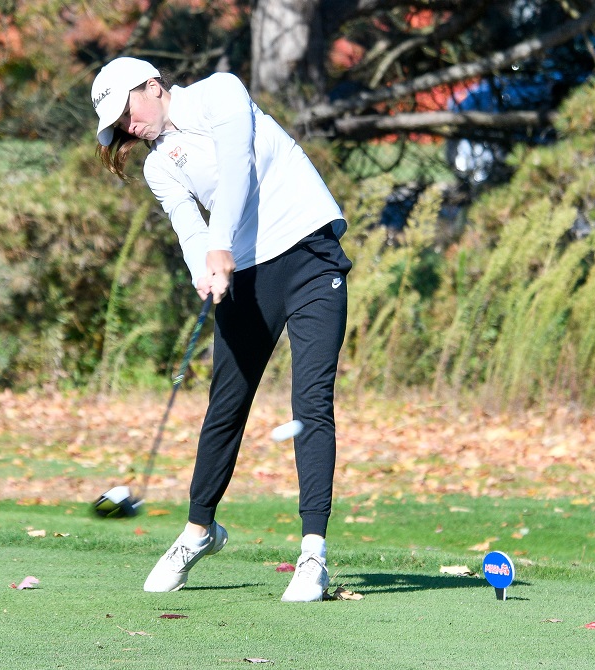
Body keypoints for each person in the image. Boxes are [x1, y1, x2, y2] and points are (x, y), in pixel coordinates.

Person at [92, 57, 351, 603]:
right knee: (225, 406)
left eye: (125, 112)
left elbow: (238, 169)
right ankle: (199, 531)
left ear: (152, 86)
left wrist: (220, 245)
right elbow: (190, 230)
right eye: (115, 125)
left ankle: (313, 554)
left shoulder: (220, 93)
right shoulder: (158, 166)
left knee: (310, 404)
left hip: (309, 252)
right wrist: (204, 272)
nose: (125, 128)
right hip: (246, 272)